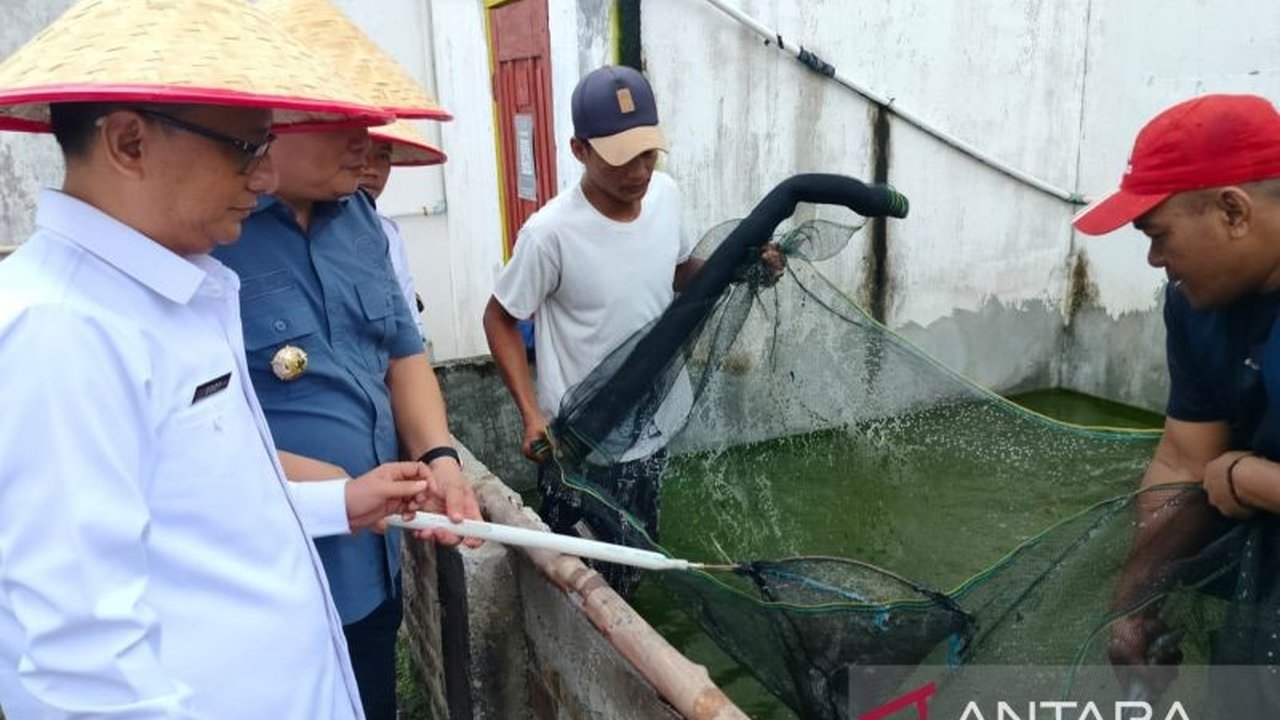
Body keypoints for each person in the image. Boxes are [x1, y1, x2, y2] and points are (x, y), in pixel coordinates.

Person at [0, 1, 454, 717]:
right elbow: (83, 668)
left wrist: (342, 499)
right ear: (128, 143)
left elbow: (205, 506)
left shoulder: (177, 294)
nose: (266, 178)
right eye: (247, 148)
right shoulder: (60, 331)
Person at [213, 124, 479, 720]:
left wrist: (440, 458)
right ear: (270, 126)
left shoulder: (359, 218)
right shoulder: (213, 231)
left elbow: (402, 355)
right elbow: (197, 437)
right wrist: (334, 493)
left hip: (370, 557)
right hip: (274, 569)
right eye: (341, 128)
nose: (364, 144)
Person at [484, 65, 781, 594]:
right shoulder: (550, 234)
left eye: (648, 153)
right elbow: (500, 317)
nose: (639, 170)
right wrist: (530, 415)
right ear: (579, 150)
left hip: (653, 424)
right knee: (582, 585)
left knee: (637, 562)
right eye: (622, 157)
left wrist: (745, 268)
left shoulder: (666, 196)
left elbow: (679, 273)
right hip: (582, 441)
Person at [1073, 93, 1280, 705]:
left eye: (1158, 235)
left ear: (1233, 211)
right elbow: (1185, 461)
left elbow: (1220, 471)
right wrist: (1136, 600)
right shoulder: (1195, 306)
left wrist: (1251, 478)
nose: (1155, 260)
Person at [358, 120, 447, 352]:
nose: (372, 169)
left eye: (383, 157)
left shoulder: (388, 233)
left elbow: (409, 321)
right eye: (360, 152)